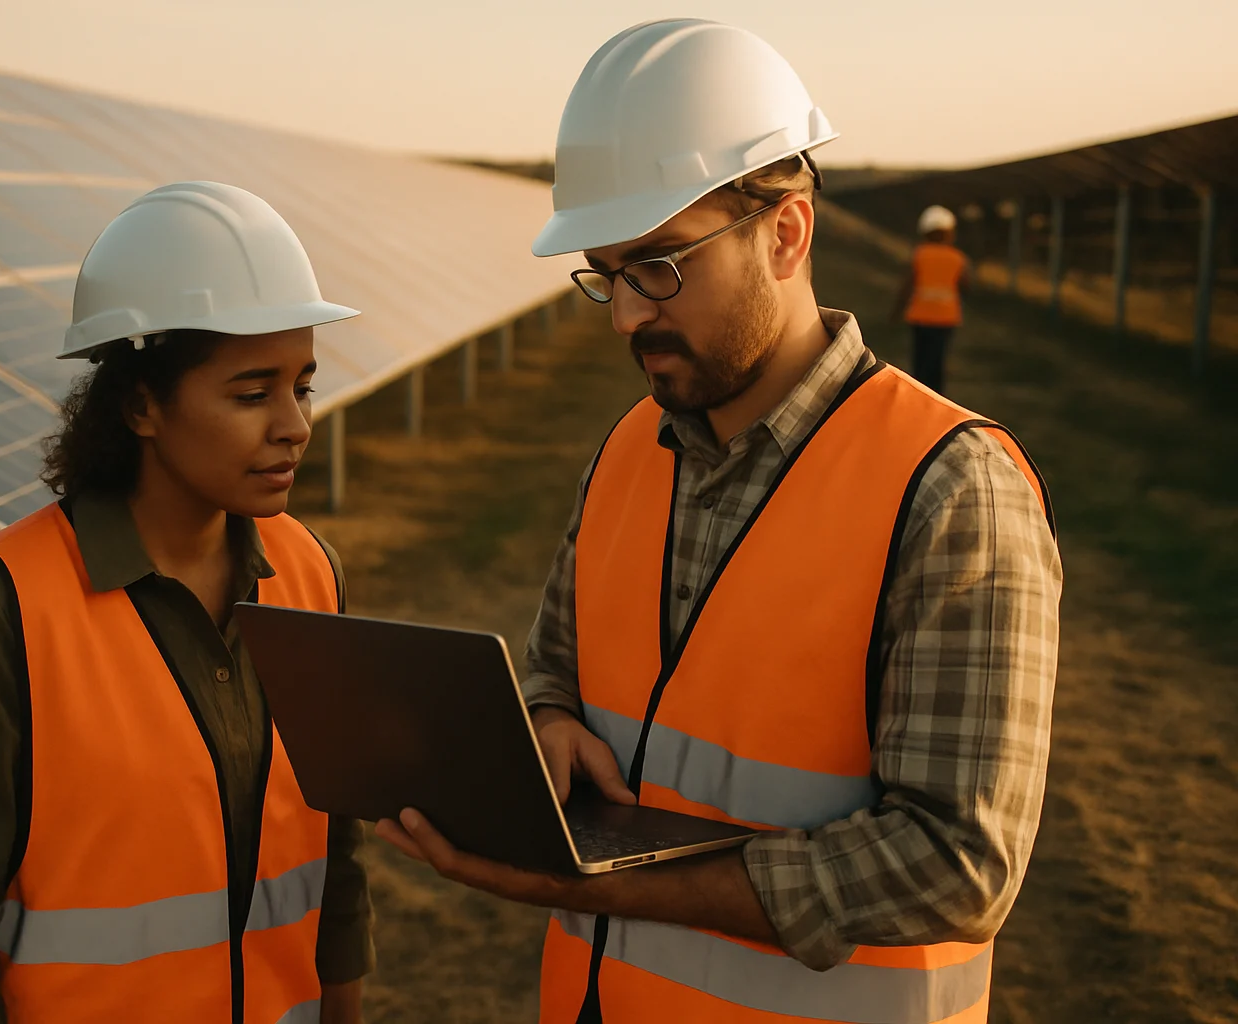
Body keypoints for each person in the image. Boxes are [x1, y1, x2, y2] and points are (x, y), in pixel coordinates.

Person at [376, 21, 1060, 1024]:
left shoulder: (949, 488)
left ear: (785, 231)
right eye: (607, 272)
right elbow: (555, 669)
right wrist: (548, 721)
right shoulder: (626, 449)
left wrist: (591, 886)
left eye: (658, 265)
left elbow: (954, 864)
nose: (623, 315)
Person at [0, 182, 373, 1024]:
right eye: (253, 393)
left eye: (303, 386)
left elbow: (336, 854)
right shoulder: (5, 608)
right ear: (141, 403)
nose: (294, 425)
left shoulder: (310, 572)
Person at [893, 204, 971, 394]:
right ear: (950, 233)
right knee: (938, 361)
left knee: (920, 360)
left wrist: (897, 310)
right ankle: (937, 397)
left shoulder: (919, 254)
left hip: (920, 316)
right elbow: (965, 286)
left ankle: (919, 394)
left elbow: (908, 285)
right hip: (945, 318)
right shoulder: (958, 258)